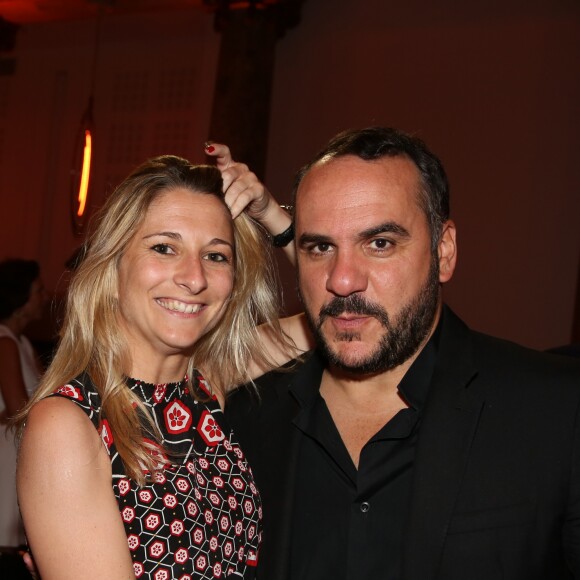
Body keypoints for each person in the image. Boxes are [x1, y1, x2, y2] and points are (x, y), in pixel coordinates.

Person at [212, 128, 580, 579]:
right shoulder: (243, 421)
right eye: (321, 247)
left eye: (380, 244)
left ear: (443, 252)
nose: (343, 280)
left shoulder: (556, 414)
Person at [14, 155, 304, 580]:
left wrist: (273, 218)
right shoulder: (68, 426)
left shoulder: (207, 384)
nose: (194, 277)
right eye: (164, 248)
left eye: (216, 256)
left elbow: (335, 310)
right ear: (113, 268)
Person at [0, 259, 45, 548]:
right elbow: (18, 405)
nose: (45, 297)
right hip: (4, 450)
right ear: (20, 298)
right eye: (38, 291)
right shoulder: (4, 342)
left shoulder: (24, 343)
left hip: (17, 447)